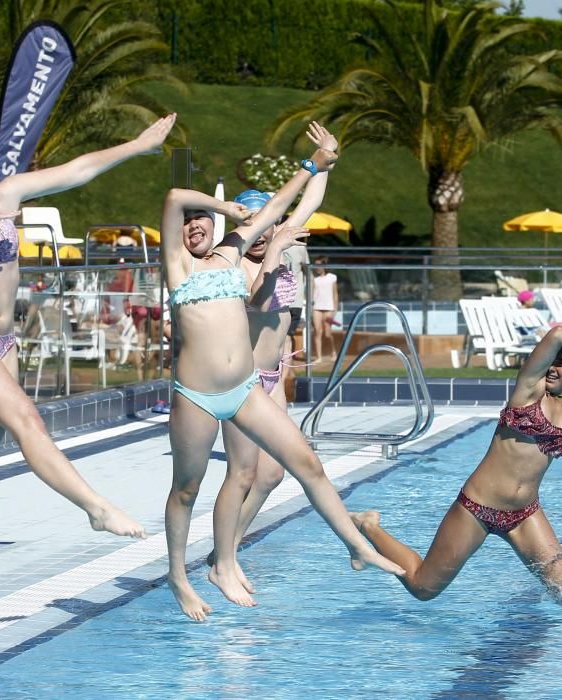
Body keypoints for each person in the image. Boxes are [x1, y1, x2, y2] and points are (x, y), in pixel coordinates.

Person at [0, 115, 176, 631]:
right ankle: (95, 507)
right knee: (28, 420)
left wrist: (137, 145)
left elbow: (76, 170)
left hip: (1, 343)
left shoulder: (5, 197)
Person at [161, 141, 403, 621]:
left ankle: (355, 546)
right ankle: (178, 576)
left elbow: (279, 207)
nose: (194, 226)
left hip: (246, 390)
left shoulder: (230, 255)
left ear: (216, 230)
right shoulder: (178, 265)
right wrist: (218, 204)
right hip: (197, 398)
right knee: (187, 488)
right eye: (190, 221)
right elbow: (171, 197)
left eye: (201, 221)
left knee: (305, 463)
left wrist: (314, 165)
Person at [350, 307, 562, 609]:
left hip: (525, 514)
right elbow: (556, 335)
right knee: (423, 588)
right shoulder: (528, 389)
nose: (554, 368)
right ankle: (369, 525)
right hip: (477, 508)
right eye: (554, 362)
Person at [210, 123, 338, 606]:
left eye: (270, 227)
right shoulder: (235, 263)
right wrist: (276, 250)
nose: (264, 235)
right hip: (242, 382)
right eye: (257, 228)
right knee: (243, 475)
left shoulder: (282, 249)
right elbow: (260, 299)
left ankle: (229, 550)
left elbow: (309, 203)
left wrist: (326, 159)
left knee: (271, 475)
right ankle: (224, 558)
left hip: (274, 375)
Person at [311, 256, 338, 362]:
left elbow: (335, 294)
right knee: (318, 332)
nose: (317, 267)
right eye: (316, 265)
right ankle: (319, 357)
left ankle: (333, 351)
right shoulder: (314, 279)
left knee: (327, 333)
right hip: (317, 307)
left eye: (319, 265)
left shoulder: (332, 277)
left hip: (329, 308)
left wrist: (335, 309)